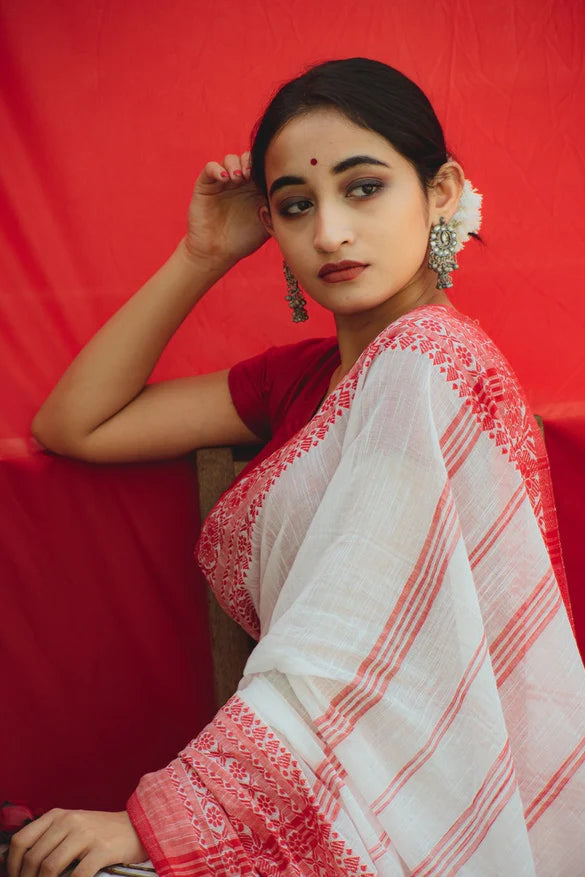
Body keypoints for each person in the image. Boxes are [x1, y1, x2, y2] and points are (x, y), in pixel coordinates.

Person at [8, 58, 585, 877]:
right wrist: (202, 252)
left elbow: (339, 647)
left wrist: (166, 819)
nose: (328, 234)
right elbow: (76, 424)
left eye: (363, 188)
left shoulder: (430, 362)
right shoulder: (301, 378)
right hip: (324, 780)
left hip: (422, 801)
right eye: (294, 206)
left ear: (443, 191)